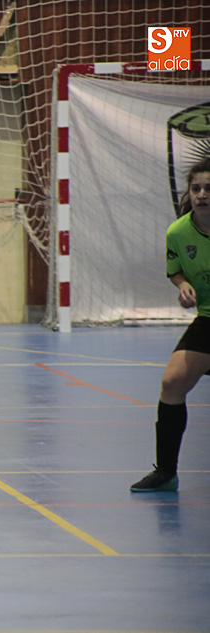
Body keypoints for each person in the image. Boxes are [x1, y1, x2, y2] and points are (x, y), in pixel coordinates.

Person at [131, 156, 210, 492]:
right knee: (172, 383)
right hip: (208, 318)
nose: (202, 194)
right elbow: (175, 270)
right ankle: (166, 472)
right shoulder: (178, 232)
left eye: (209, 188)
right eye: (196, 188)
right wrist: (183, 285)